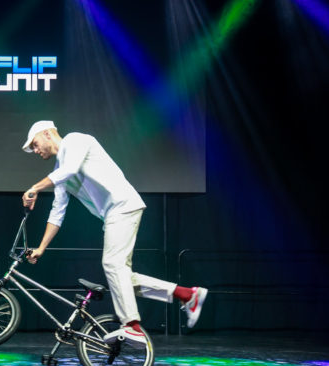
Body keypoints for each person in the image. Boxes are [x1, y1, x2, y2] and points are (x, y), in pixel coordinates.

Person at [21, 120, 207, 348]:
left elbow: (70, 169)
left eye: (35, 144)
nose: (35, 150)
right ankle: (187, 295)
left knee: (112, 265)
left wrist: (35, 187)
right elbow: (57, 213)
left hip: (123, 206)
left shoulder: (76, 140)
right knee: (122, 278)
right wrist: (41, 248)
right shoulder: (58, 173)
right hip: (114, 214)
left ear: (48, 134)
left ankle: (132, 326)